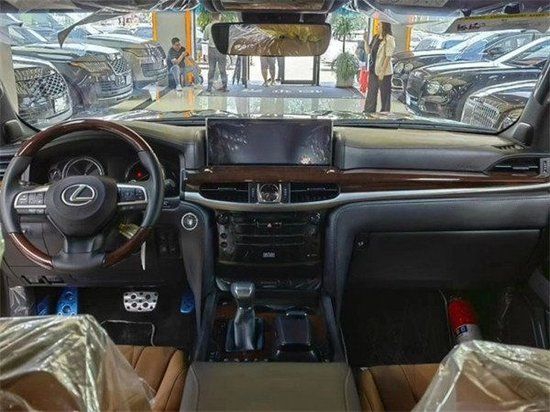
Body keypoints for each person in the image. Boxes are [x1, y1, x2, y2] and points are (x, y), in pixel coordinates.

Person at [364, 21, 395, 113]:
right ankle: (369, 112)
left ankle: (385, 113)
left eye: (379, 25)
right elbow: (368, 51)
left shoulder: (389, 39)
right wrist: (365, 40)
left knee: (385, 95)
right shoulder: (375, 37)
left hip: (384, 72)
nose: (377, 26)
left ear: (384, 26)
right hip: (373, 69)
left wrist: (382, 72)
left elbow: (388, 56)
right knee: (371, 92)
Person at [203, 13, 228, 93]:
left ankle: (209, 87)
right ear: (219, 16)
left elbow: (205, 38)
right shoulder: (223, 26)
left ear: (212, 17)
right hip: (221, 49)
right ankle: (224, 87)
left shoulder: (208, 26)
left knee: (211, 69)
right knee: (222, 69)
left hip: (212, 49)